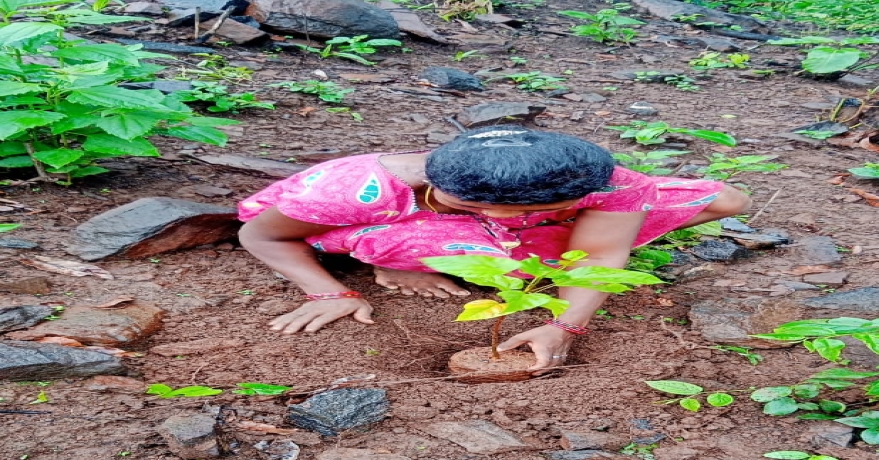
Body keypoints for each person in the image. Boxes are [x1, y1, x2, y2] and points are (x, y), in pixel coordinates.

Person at [237, 125, 751, 370]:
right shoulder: (352, 190)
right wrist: (328, 291)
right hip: (384, 219)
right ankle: (386, 257)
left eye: (519, 209)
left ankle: (534, 225)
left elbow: (598, 256)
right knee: (513, 259)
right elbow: (262, 234)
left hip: (560, 216)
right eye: (478, 204)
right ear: (436, 181)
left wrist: (564, 325)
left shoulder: (613, 184)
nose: (504, 217)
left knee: (726, 199)